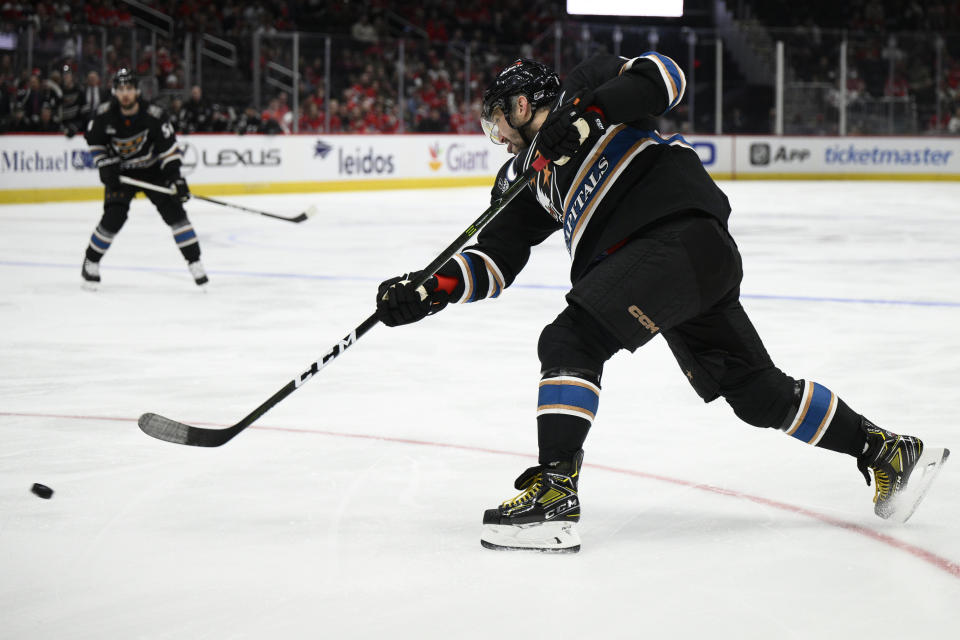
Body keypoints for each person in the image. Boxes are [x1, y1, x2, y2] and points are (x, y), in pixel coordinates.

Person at [374, 55, 950, 553]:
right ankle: (886, 451)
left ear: (525, 103)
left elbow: (664, 76)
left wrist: (591, 113)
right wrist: (430, 291)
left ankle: (555, 493)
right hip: (676, 264)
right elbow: (497, 259)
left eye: (501, 118)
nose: (498, 134)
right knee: (755, 392)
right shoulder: (525, 179)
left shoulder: (587, 87)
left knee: (570, 341)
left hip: (672, 234)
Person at [81, 68, 208, 289]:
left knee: (176, 214)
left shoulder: (155, 116)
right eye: (121, 90)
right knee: (114, 217)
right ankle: (91, 261)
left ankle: (194, 261)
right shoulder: (103, 115)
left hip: (153, 171)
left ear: (137, 91)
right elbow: (94, 141)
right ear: (114, 92)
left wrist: (175, 179)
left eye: (129, 89)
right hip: (121, 173)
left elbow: (169, 151)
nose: (125, 94)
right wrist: (105, 164)